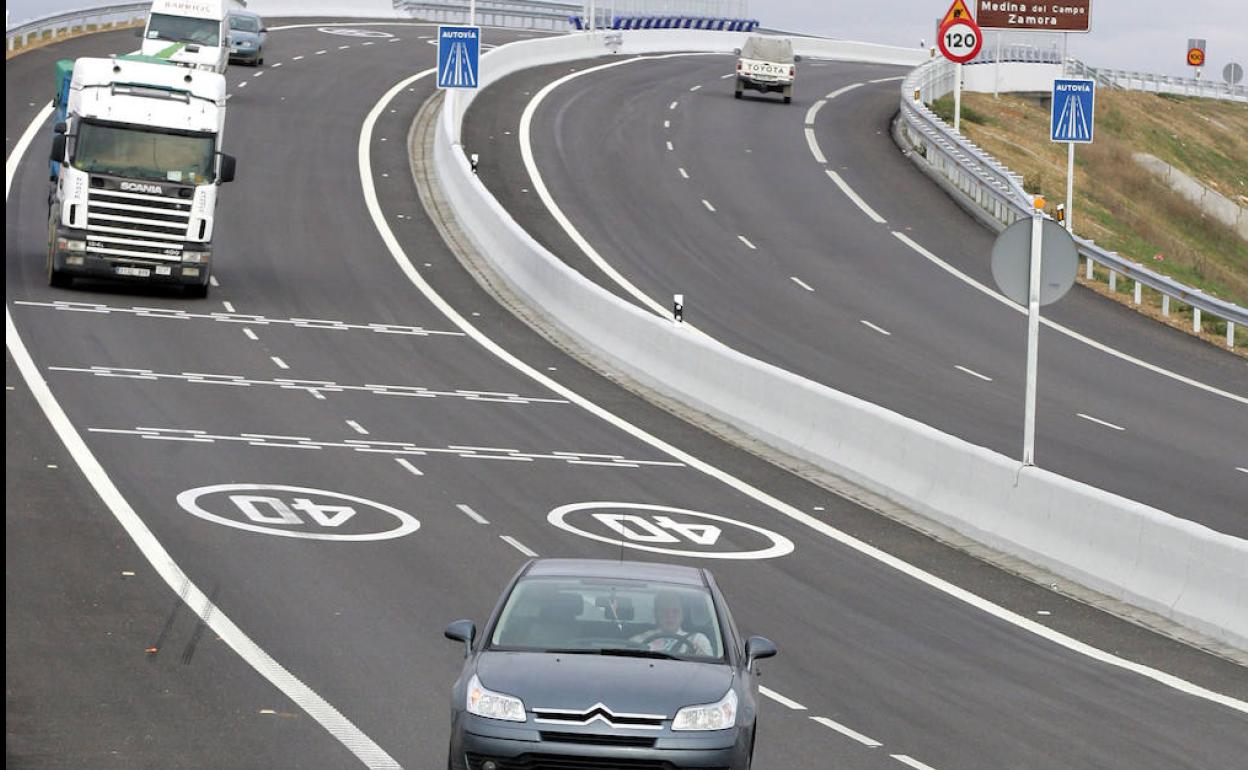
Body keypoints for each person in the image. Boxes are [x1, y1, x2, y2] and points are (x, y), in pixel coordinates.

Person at [631, 591, 712, 656]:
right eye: (664, 611)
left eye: (675, 611)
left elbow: (708, 668)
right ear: (656, 614)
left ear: (683, 615)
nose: (670, 616)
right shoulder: (640, 640)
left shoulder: (697, 640)